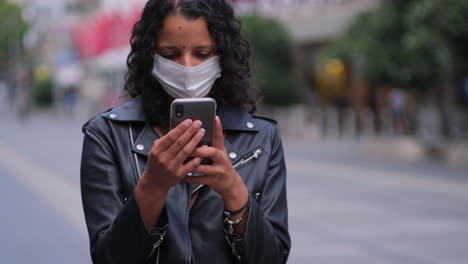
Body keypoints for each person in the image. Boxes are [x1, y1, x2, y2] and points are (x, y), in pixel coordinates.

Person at [80, 0, 291, 263]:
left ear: (222, 57)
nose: (188, 67)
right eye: (170, 55)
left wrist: (232, 188)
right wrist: (153, 186)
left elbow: (273, 258)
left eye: (202, 54)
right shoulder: (107, 134)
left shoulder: (262, 137)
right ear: (150, 57)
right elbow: (108, 258)